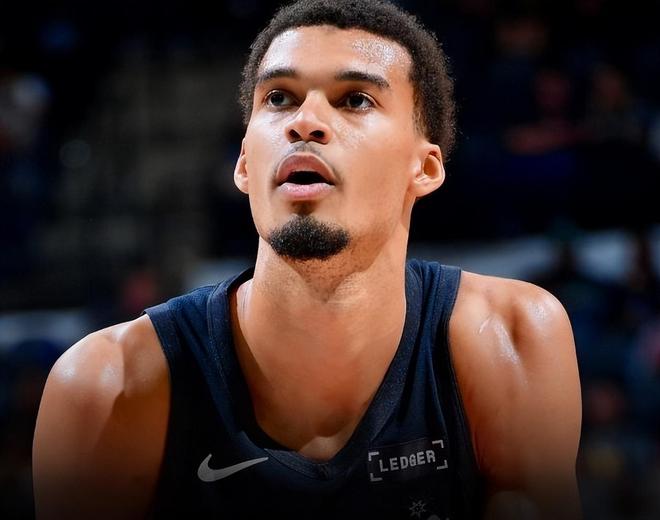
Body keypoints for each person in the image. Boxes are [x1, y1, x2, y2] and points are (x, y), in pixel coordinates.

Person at [32, 1, 582, 518]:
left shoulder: (507, 338)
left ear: (426, 168)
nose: (305, 121)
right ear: (244, 164)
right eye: (279, 98)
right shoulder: (106, 389)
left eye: (355, 99)